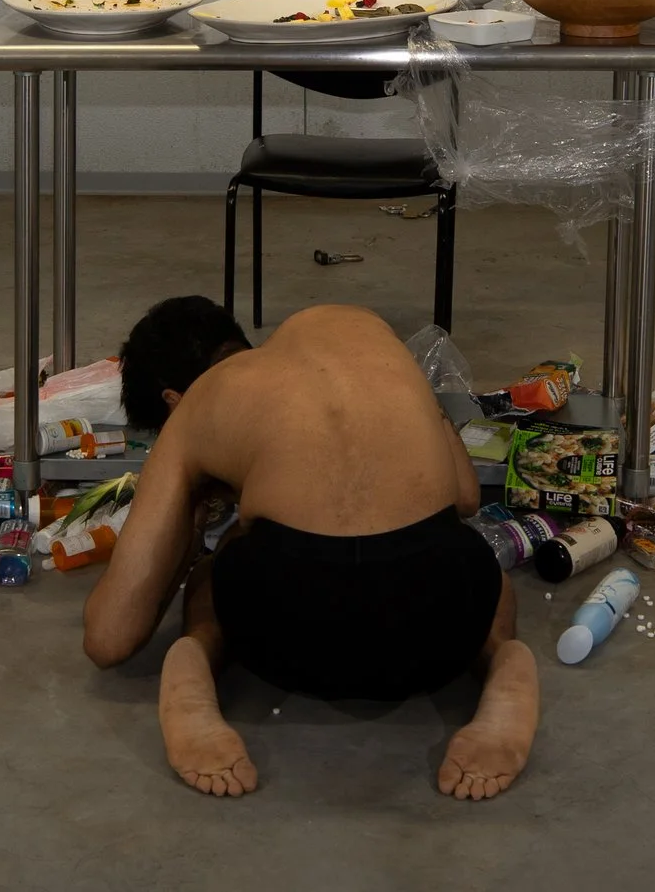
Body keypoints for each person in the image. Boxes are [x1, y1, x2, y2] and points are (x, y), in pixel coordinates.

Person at [80, 297, 538, 801]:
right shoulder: (370, 339)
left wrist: (190, 515)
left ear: (171, 399)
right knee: (484, 572)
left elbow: (110, 638)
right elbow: (468, 496)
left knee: (223, 561)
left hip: (283, 633)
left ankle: (194, 665)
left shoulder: (201, 401)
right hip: (440, 630)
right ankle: (503, 667)